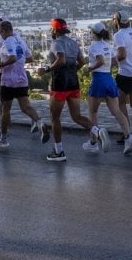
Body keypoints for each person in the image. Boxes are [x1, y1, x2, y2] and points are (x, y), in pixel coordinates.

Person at [42, 18, 96, 162]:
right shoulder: (73, 43)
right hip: (73, 81)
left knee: (55, 118)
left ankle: (59, 152)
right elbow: (82, 62)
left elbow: (61, 60)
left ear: (54, 30)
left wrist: (47, 69)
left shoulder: (56, 43)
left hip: (60, 82)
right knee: (77, 116)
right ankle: (97, 131)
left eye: (51, 29)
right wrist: (73, 71)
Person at [0, 19, 45, 149]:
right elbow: (30, 59)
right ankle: (40, 123)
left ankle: (3, 138)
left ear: (4, 31)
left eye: (0, 32)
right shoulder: (20, 41)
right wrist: (19, 63)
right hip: (21, 79)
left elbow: (13, 57)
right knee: (26, 107)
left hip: (8, 80)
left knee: (5, 109)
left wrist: (0, 65)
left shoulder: (8, 41)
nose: (0, 34)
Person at [84, 22, 132, 154]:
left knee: (93, 112)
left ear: (94, 33)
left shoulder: (94, 47)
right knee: (117, 111)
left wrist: (89, 68)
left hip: (98, 80)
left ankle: (94, 142)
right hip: (109, 79)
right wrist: (105, 66)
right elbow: (114, 61)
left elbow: (100, 61)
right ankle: (128, 137)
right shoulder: (108, 45)